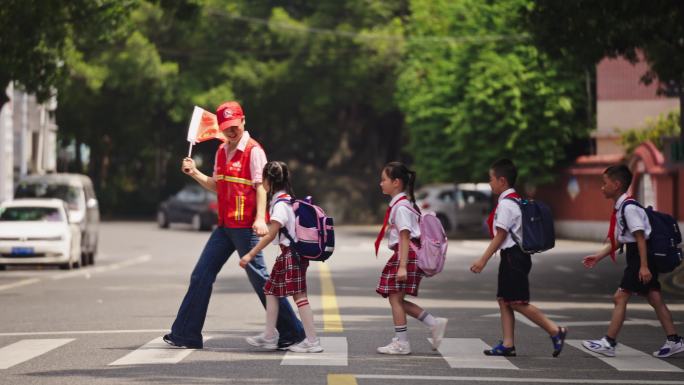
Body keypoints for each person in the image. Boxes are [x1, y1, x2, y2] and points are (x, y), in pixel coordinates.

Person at [163, 101, 304, 349]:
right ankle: (186, 335)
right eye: (226, 127)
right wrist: (194, 173)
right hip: (225, 225)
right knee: (201, 275)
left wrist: (261, 218)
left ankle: (293, 332)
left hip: (246, 226)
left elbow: (261, 186)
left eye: (234, 126)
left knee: (261, 280)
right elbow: (217, 185)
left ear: (243, 121)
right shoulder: (220, 151)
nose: (231, 131)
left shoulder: (254, 150)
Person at [582, 164, 683, 358]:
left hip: (640, 256)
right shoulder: (623, 206)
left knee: (620, 297)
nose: (602, 187)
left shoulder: (629, 208)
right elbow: (621, 239)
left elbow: (640, 238)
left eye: (604, 183)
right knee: (654, 297)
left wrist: (643, 266)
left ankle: (609, 343)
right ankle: (674, 340)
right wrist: (599, 256)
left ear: (617, 184)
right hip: (638, 255)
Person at [470, 158, 567, 357]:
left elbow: (501, 235)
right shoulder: (514, 200)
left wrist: (483, 259)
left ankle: (555, 331)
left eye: (491, 179)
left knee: (517, 301)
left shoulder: (506, 204)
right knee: (504, 300)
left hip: (513, 257)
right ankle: (507, 344)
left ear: (502, 180)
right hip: (514, 256)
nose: (490, 183)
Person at [239, 161, 323, 353]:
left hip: (291, 255)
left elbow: (270, 233)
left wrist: (250, 254)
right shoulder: (284, 200)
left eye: (263, 179)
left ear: (269, 180)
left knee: (299, 296)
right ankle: (269, 336)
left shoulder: (281, 205)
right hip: (288, 255)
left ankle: (312, 341)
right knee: (270, 290)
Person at [374, 161, 448, 355]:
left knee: (395, 299)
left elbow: (405, 236)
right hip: (407, 255)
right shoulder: (404, 205)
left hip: (406, 255)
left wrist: (402, 266)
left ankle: (402, 342)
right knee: (397, 298)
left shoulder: (401, 208)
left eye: (384, 180)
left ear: (396, 182)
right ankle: (433, 323)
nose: (381, 183)